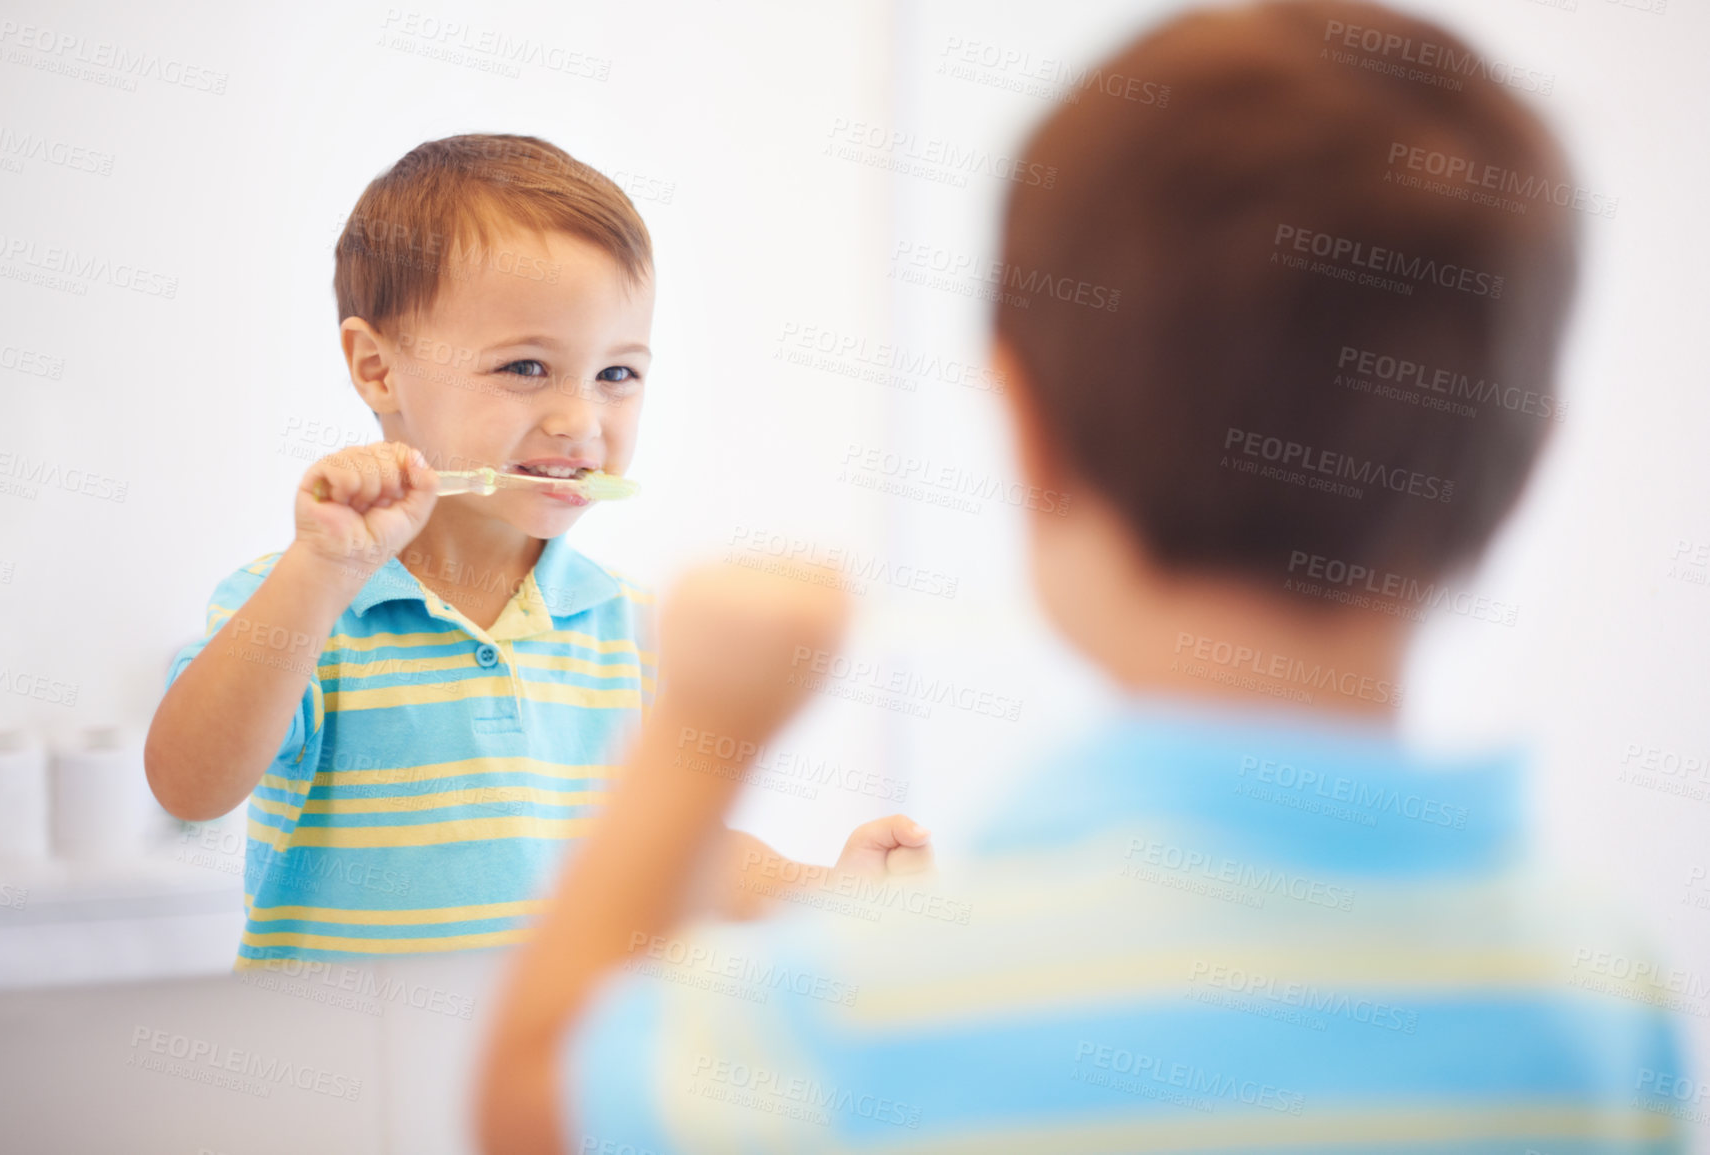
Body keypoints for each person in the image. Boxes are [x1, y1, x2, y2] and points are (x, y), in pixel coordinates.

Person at [476, 3, 1689, 1152]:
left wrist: (705, 729)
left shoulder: (875, 1008)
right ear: (1520, 464)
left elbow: (537, 1103)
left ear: (1027, 428)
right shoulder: (1602, 999)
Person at [144, 133, 928, 967]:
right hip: (337, 1080)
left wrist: (825, 891)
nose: (580, 419)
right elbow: (188, 789)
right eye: (525, 366)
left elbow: (673, 853)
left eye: (617, 375)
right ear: (377, 370)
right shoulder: (297, 602)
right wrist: (320, 577)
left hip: (535, 1079)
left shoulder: (631, 627)